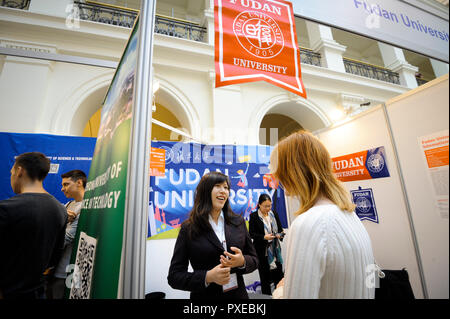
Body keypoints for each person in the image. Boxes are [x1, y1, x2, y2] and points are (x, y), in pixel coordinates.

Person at [270, 130, 375, 299]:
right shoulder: (350, 216)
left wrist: (281, 290)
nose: (276, 177)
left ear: (291, 171)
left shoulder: (309, 223)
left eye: (278, 169)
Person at [168, 171, 258, 299]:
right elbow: (174, 276)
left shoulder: (238, 222)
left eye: (226, 187)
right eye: (217, 186)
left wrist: (242, 261)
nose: (223, 191)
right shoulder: (189, 228)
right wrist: (208, 277)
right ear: (205, 191)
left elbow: (255, 260)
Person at [0, 152, 67, 299]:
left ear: (19, 171)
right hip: (38, 291)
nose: (11, 177)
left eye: (11, 172)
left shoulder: (6, 208)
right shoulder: (61, 210)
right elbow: (55, 256)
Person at [47, 170, 86, 299]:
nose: (62, 189)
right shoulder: (70, 204)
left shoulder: (85, 207)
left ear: (79, 183)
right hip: (56, 268)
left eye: (66, 184)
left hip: (67, 271)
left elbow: (65, 239)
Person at [249, 194, 285, 295]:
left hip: (275, 251)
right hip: (262, 252)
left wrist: (280, 235)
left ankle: (280, 296)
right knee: (265, 279)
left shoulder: (274, 214)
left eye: (270, 206)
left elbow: (281, 230)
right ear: (259, 205)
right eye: (265, 206)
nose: (268, 208)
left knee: (279, 277)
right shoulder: (254, 216)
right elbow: (251, 234)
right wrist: (264, 237)